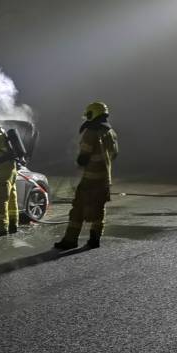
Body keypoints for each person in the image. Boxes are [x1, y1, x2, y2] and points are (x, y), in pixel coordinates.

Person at [54, 101, 119, 250]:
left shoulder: (91, 132)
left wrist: (80, 161)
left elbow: (83, 157)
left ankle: (70, 240)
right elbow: (114, 154)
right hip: (104, 178)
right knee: (99, 208)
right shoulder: (110, 132)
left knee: (77, 209)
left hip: (90, 179)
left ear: (93, 114)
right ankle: (95, 239)